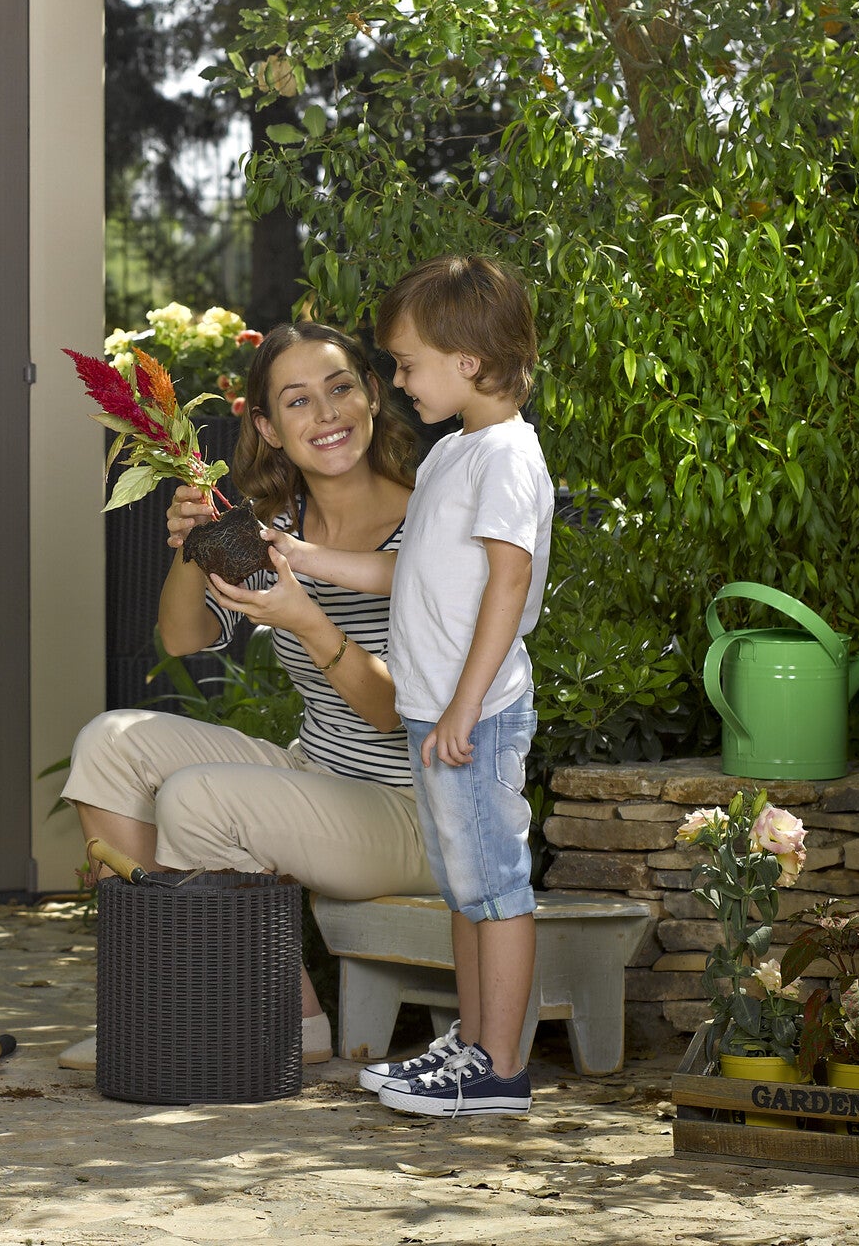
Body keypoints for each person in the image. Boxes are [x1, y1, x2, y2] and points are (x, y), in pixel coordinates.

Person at [56, 322, 438, 1073]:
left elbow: (400, 713)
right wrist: (195, 543)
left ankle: (280, 1019)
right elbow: (182, 638)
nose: (326, 415)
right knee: (111, 741)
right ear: (266, 426)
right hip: (319, 774)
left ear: (370, 396)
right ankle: (158, 994)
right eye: (298, 401)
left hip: (411, 808)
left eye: (340, 389)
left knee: (200, 797)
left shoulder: (425, 520)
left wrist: (306, 617)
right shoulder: (278, 528)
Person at [327, 254, 553, 1117]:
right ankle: (475, 1045)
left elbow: (507, 583)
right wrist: (305, 560)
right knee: (468, 884)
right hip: (439, 714)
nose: (395, 380)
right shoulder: (454, 455)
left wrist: (463, 707)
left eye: (407, 364)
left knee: (494, 886)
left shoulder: (505, 456)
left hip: (477, 716)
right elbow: (407, 571)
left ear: (467, 361)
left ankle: (499, 1069)